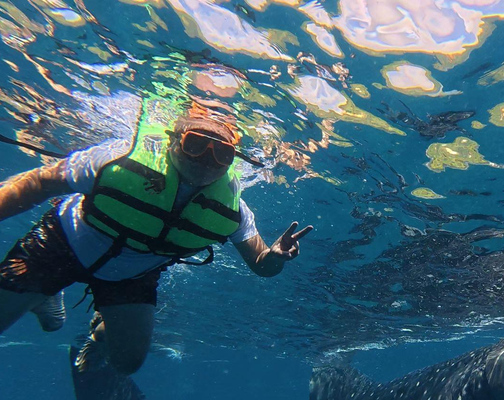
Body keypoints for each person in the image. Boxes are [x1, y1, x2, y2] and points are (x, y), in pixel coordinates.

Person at [0, 100, 312, 374]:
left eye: (222, 153)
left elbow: (261, 265)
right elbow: (41, 183)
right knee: (43, 322)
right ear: (174, 141)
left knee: (127, 364)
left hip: (131, 276)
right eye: (196, 144)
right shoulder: (118, 161)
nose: (207, 159)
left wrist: (274, 256)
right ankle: (46, 290)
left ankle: (93, 330)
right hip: (60, 245)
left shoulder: (232, 211)